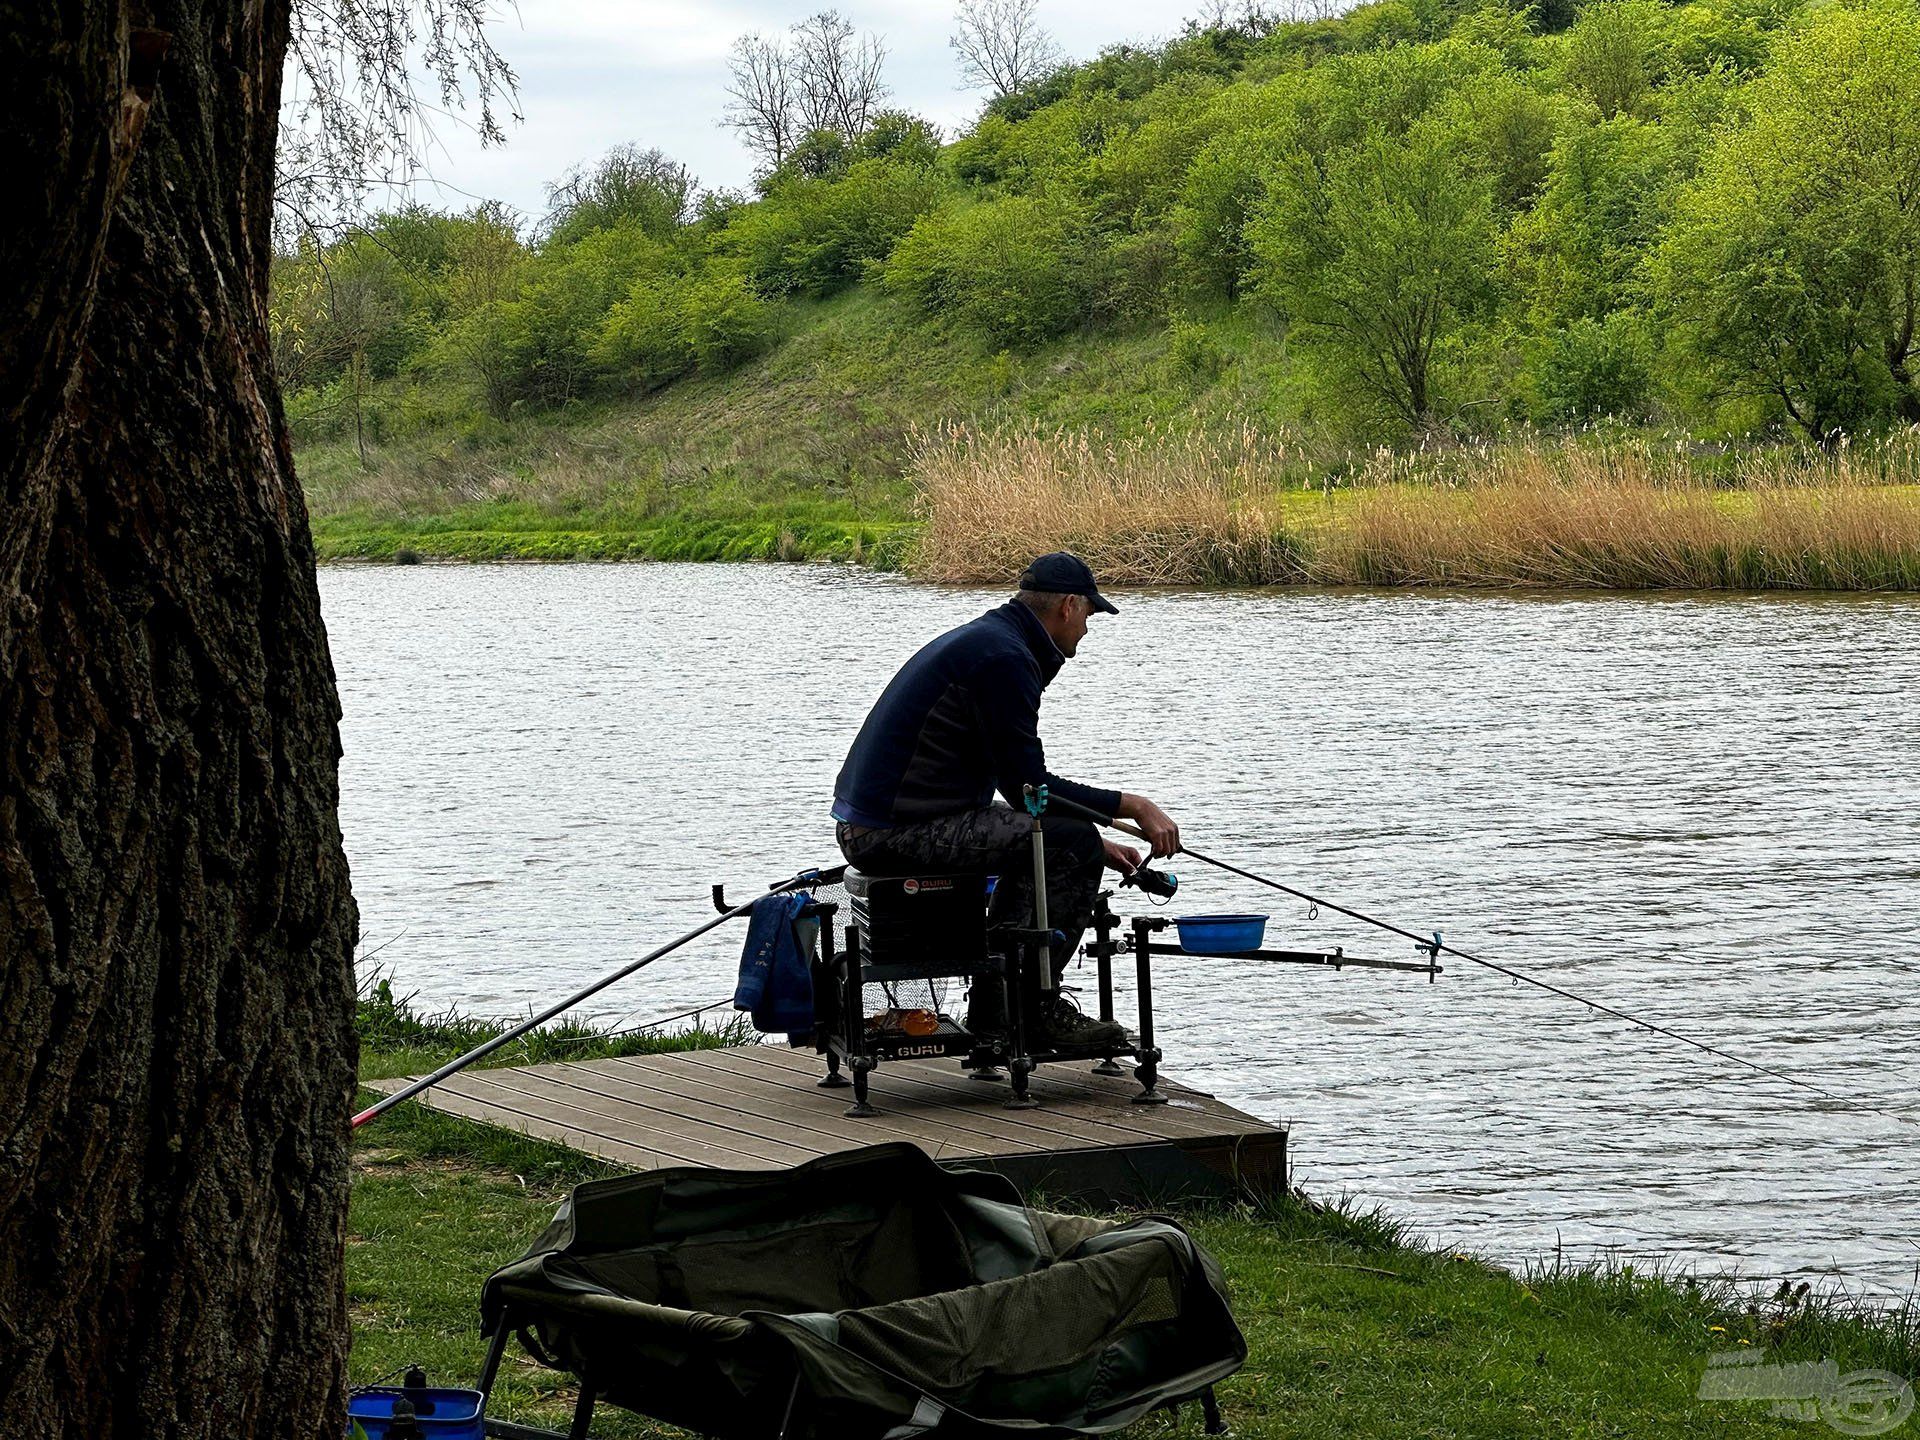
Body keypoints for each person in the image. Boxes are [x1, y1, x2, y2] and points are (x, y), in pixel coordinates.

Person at [831, 552, 1180, 1049]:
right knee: (1070, 845)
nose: (1087, 629)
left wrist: (1101, 839)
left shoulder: (995, 640)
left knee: (1074, 840)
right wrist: (1134, 805)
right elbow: (1026, 788)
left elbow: (1014, 792)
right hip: (889, 833)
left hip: (896, 820)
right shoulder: (1005, 659)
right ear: (1067, 606)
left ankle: (1003, 1004)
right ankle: (1026, 1010)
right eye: (1089, 616)